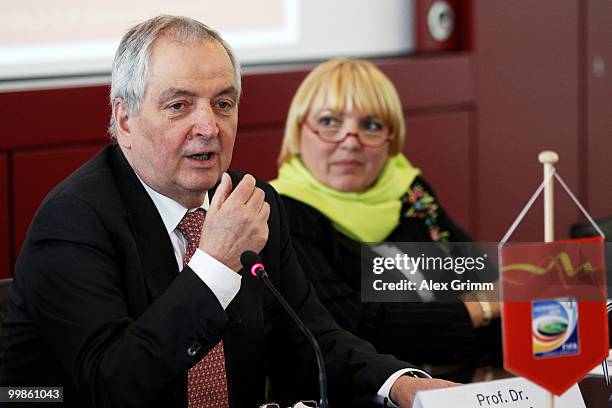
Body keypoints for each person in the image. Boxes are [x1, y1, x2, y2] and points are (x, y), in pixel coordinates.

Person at [0, 16, 454, 408]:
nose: (208, 127)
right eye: (179, 106)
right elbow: (114, 385)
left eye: (223, 104)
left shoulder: (251, 202)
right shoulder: (75, 220)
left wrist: (404, 386)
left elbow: (314, 340)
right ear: (124, 119)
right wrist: (213, 264)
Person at [271, 58, 502, 367]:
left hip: (455, 378)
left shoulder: (409, 191)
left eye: (371, 125)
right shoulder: (283, 211)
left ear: (391, 138)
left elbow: (478, 275)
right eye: (329, 122)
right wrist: (481, 310)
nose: (351, 142)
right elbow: (354, 327)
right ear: (299, 133)